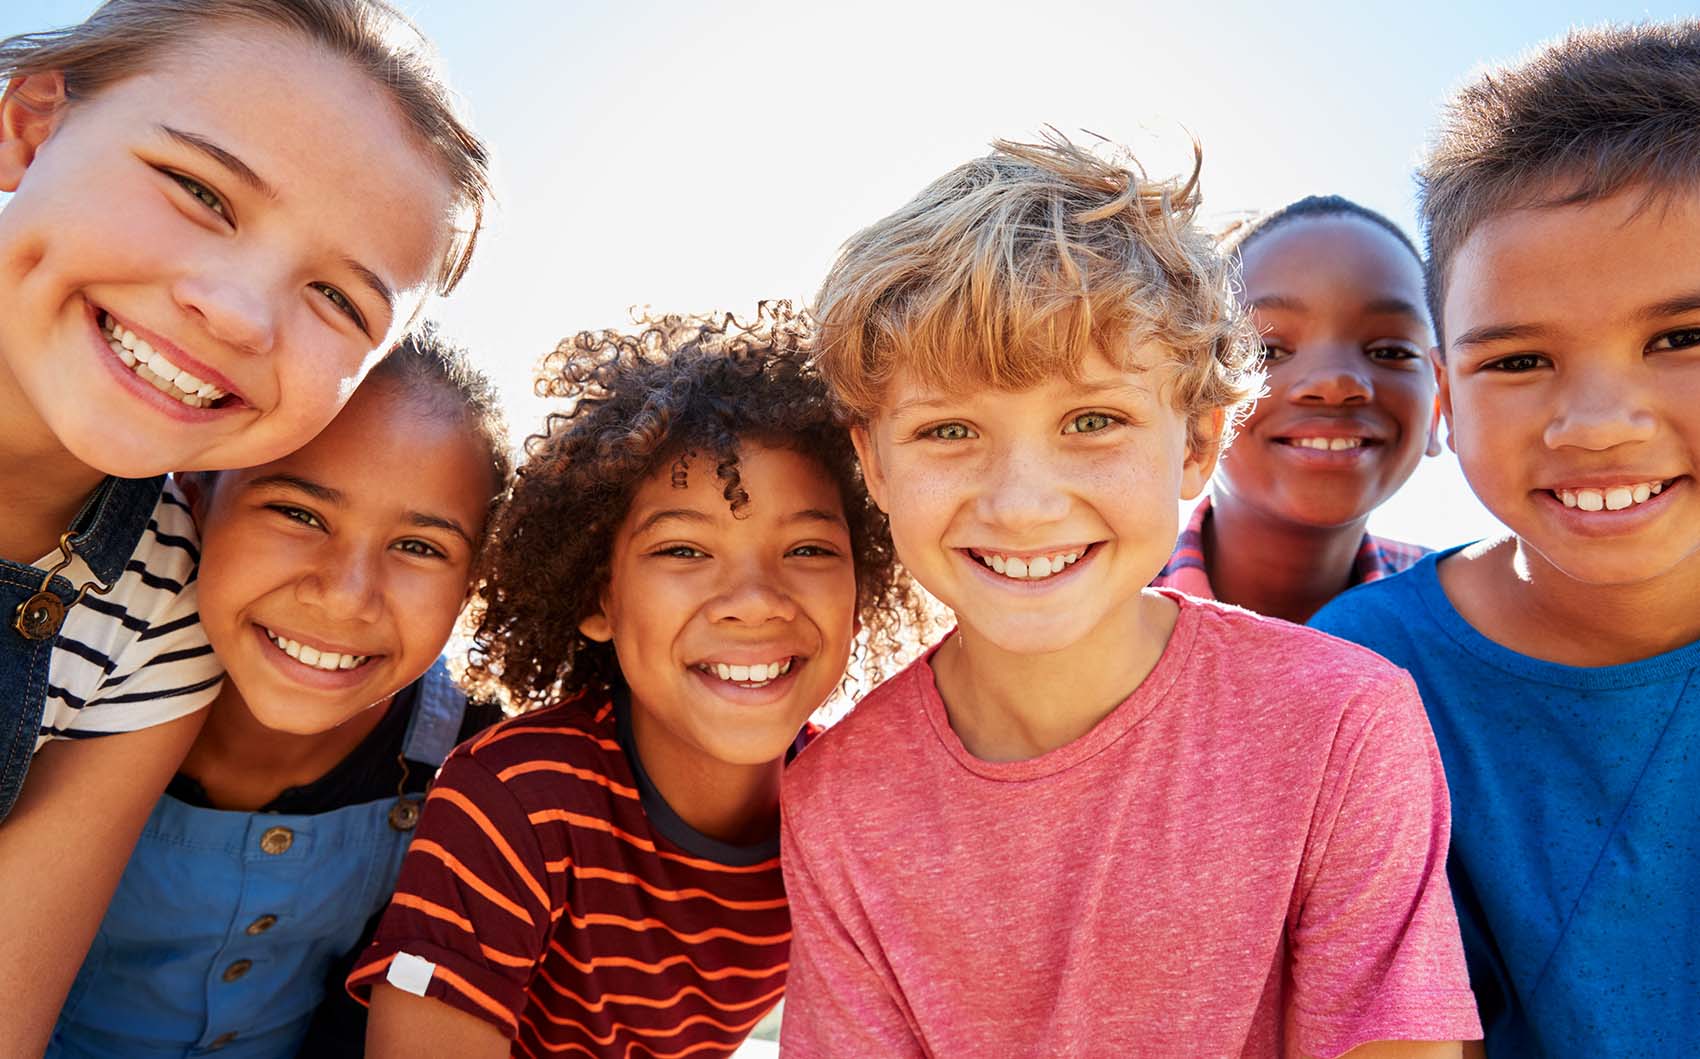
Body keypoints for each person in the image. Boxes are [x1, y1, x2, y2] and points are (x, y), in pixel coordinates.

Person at [780, 133, 1481, 1058]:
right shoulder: (837, 797)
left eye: (1094, 420)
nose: (1023, 504)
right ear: (871, 459)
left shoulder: (1346, 723)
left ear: (1195, 443)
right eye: (948, 429)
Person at [0, 0, 489, 1045]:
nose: (237, 311)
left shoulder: (160, 610)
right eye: (198, 191)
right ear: (31, 123)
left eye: (339, 298)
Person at [349, 306, 924, 1058]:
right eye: (684, 549)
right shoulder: (517, 797)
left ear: (863, 584)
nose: (754, 599)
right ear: (598, 597)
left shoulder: (855, 816)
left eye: (809, 547)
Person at [1310, 22, 1700, 1058]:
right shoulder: (1367, 674)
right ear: (1441, 400)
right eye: (1518, 361)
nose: (1597, 423)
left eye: (1680, 339)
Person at [45, 327, 508, 1058]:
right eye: (299, 512)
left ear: (476, 577)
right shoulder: (68, 670)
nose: (347, 596)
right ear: (193, 493)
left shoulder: (480, 760)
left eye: (420, 546)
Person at [1154, 196, 1439, 622]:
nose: (1335, 382)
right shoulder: (1091, 616)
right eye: (1266, 350)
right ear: (1196, 405)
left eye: (1390, 351)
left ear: (1438, 409)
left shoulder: (1478, 624)